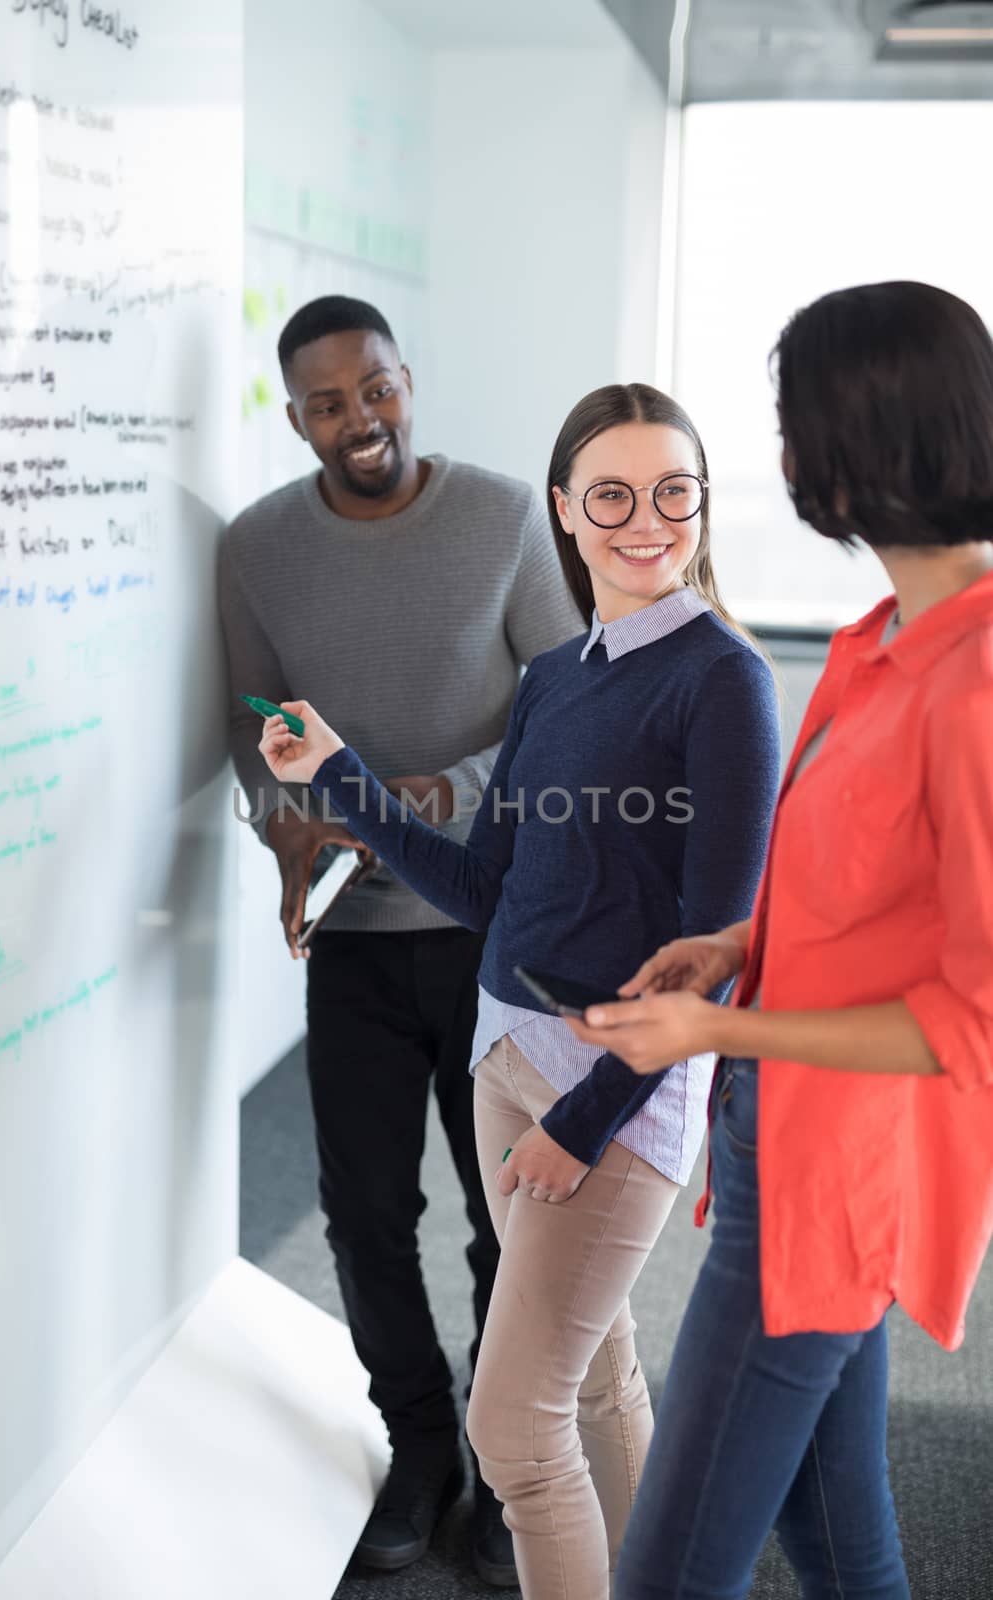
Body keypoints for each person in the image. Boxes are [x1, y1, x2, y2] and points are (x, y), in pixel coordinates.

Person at [252, 382, 781, 1600]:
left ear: (702, 506)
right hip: (505, 1052)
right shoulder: (553, 677)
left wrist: (581, 1118)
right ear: (563, 509)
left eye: (672, 493)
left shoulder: (720, 682)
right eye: (610, 494)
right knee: (595, 1377)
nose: (643, 521)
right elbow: (486, 886)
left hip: (607, 1093)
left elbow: (715, 954)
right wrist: (335, 774)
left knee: (515, 1435)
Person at [566, 282, 993, 1600]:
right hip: (774, 1143)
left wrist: (713, 1029)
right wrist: (736, 946)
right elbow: (874, 899)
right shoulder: (882, 641)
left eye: (790, 425)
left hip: (834, 1184)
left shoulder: (973, 685)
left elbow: (968, 1014)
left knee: (669, 1571)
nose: (782, 457)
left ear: (865, 441)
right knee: (831, 1527)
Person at [218, 295, 582, 1584]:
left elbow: (567, 710)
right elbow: (257, 730)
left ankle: (498, 1460)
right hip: (359, 941)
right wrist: (285, 826)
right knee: (364, 1214)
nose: (357, 419)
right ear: (296, 414)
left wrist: (414, 800)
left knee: (507, 1221)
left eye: (372, 389)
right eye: (326, 402)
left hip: (495, 934)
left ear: (403, 381)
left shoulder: (494, 517)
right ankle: (418, 1447)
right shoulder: (259, 547)